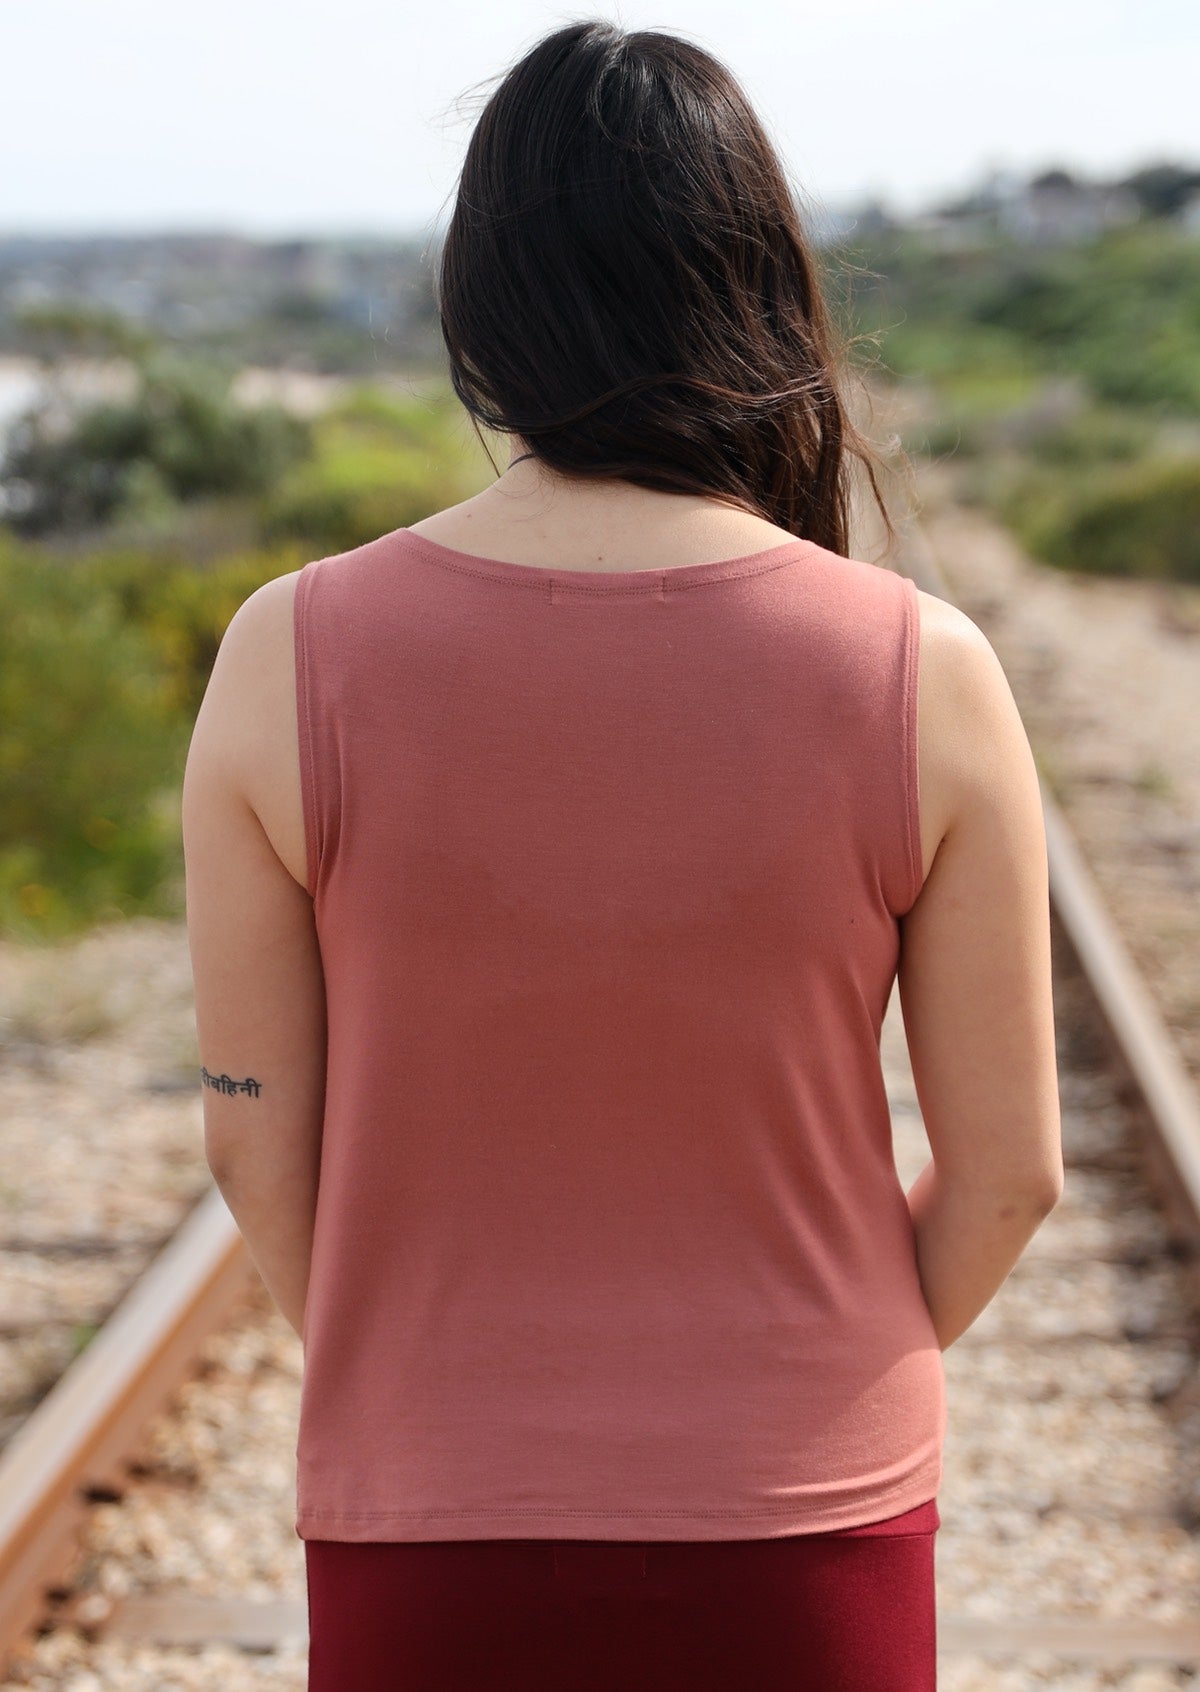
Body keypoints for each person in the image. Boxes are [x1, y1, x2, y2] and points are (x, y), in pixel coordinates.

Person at [181, 19, 1064, 1691]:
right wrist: (810, 1374)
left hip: (427, 1532)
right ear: (760, 291)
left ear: (483, 295)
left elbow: (251, 1144)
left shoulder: (286, 652)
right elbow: (1011, 1170)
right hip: (810, 1535)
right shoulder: (920, 668)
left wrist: (423, 1394)